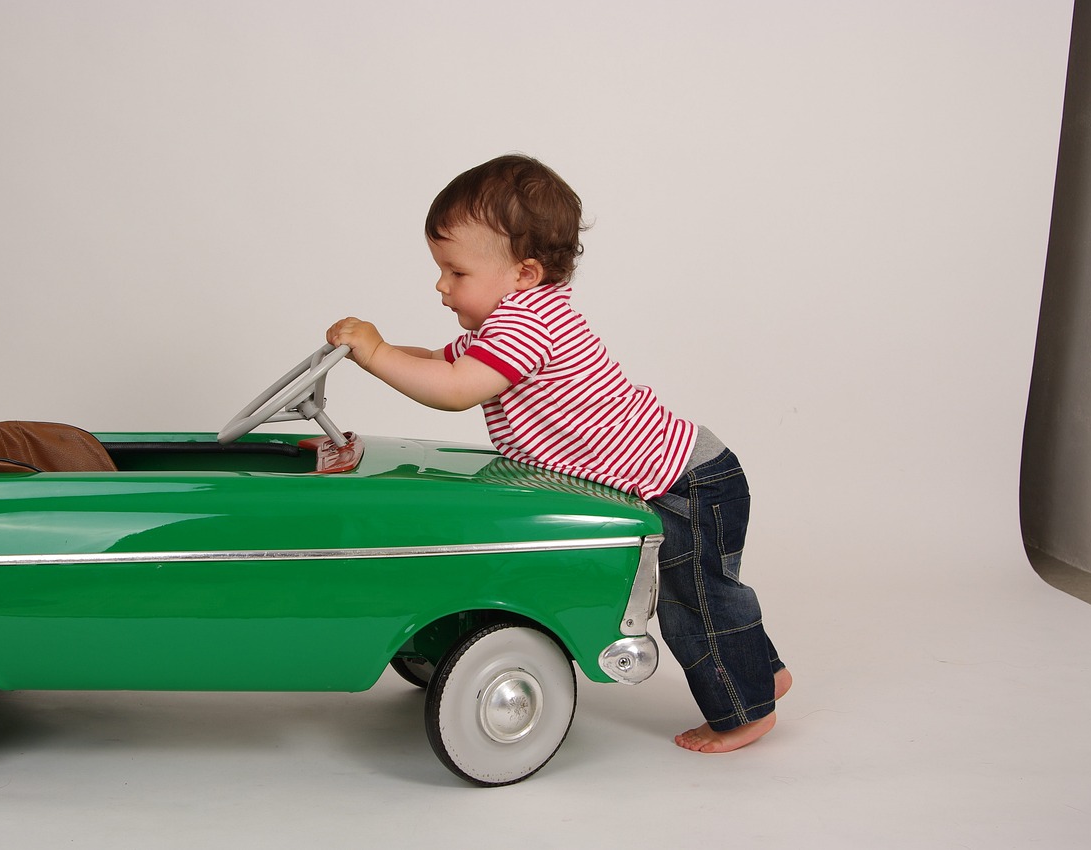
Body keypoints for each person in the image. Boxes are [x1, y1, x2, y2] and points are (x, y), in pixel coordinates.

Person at [327, 153, 790, 753]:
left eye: (455, 271)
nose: (441, 285)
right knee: (709, 588)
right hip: (681, 474)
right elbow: (446, 362)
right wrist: (386, 349)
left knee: (690, 600)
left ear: (523, 272)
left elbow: (456, 390)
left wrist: (373, 355)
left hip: (686, 483)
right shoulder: (509, 319)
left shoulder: (526, 325)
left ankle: (746, 710)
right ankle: (761, 674)